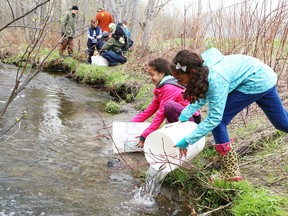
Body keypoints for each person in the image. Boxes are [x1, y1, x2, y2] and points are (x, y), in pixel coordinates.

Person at [170, 48, 288, 182]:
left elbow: (214, 118)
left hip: (255, 81)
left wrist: (188, 140)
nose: (179, 83)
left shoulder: (215, 78)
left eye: (180, 79)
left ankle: (230, 172)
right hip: (262, 74)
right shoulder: (200, 69)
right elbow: (204, 91)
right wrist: (186, 114)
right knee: (282, 123)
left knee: (219, 122)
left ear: (192, 72)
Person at [131, 58, 201, 148]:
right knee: (168, 109)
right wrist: (131, 123)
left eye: (152, 75)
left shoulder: (169, 87)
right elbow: (150, 109)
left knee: (169, 106)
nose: (151, 78)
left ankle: (180, 139)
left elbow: (161, 113)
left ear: (162, 73)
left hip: (191, 122)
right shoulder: (161, 88)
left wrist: (145, 135)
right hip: (181, 118)